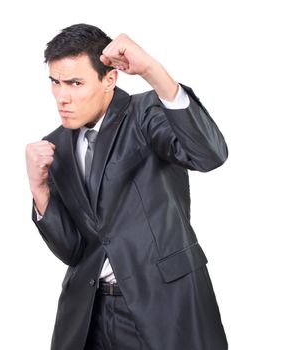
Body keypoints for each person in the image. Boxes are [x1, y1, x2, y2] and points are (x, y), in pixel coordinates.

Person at [25, 24, 228, 350]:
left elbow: (209, 155)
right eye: (55, 82)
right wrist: (40, 190)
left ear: (109, 79)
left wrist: (152, 70)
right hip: (89, 313)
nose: (62, 97)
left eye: (75, 83)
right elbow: (73, 251)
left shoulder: (144, 114)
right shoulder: (55, 146)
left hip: (164, 305)